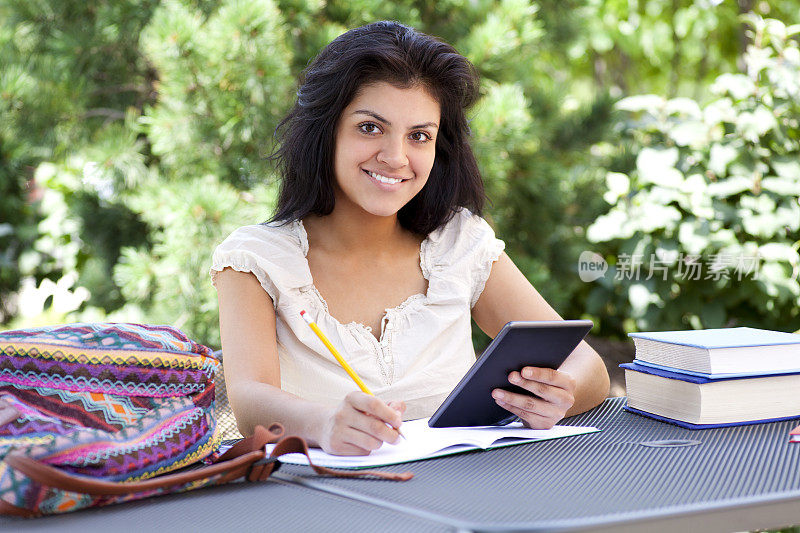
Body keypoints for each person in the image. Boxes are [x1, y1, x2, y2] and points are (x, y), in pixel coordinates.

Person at [212, 21, 610, 456]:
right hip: (321, 500)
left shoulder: (459, 244)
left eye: (419, 136)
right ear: (326, 130)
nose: (396, 157)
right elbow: (249, 401)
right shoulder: (255, 259)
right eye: (370, 127)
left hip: (461, 495)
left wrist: (560, 392)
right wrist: (325, 424)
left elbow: (587, 363)